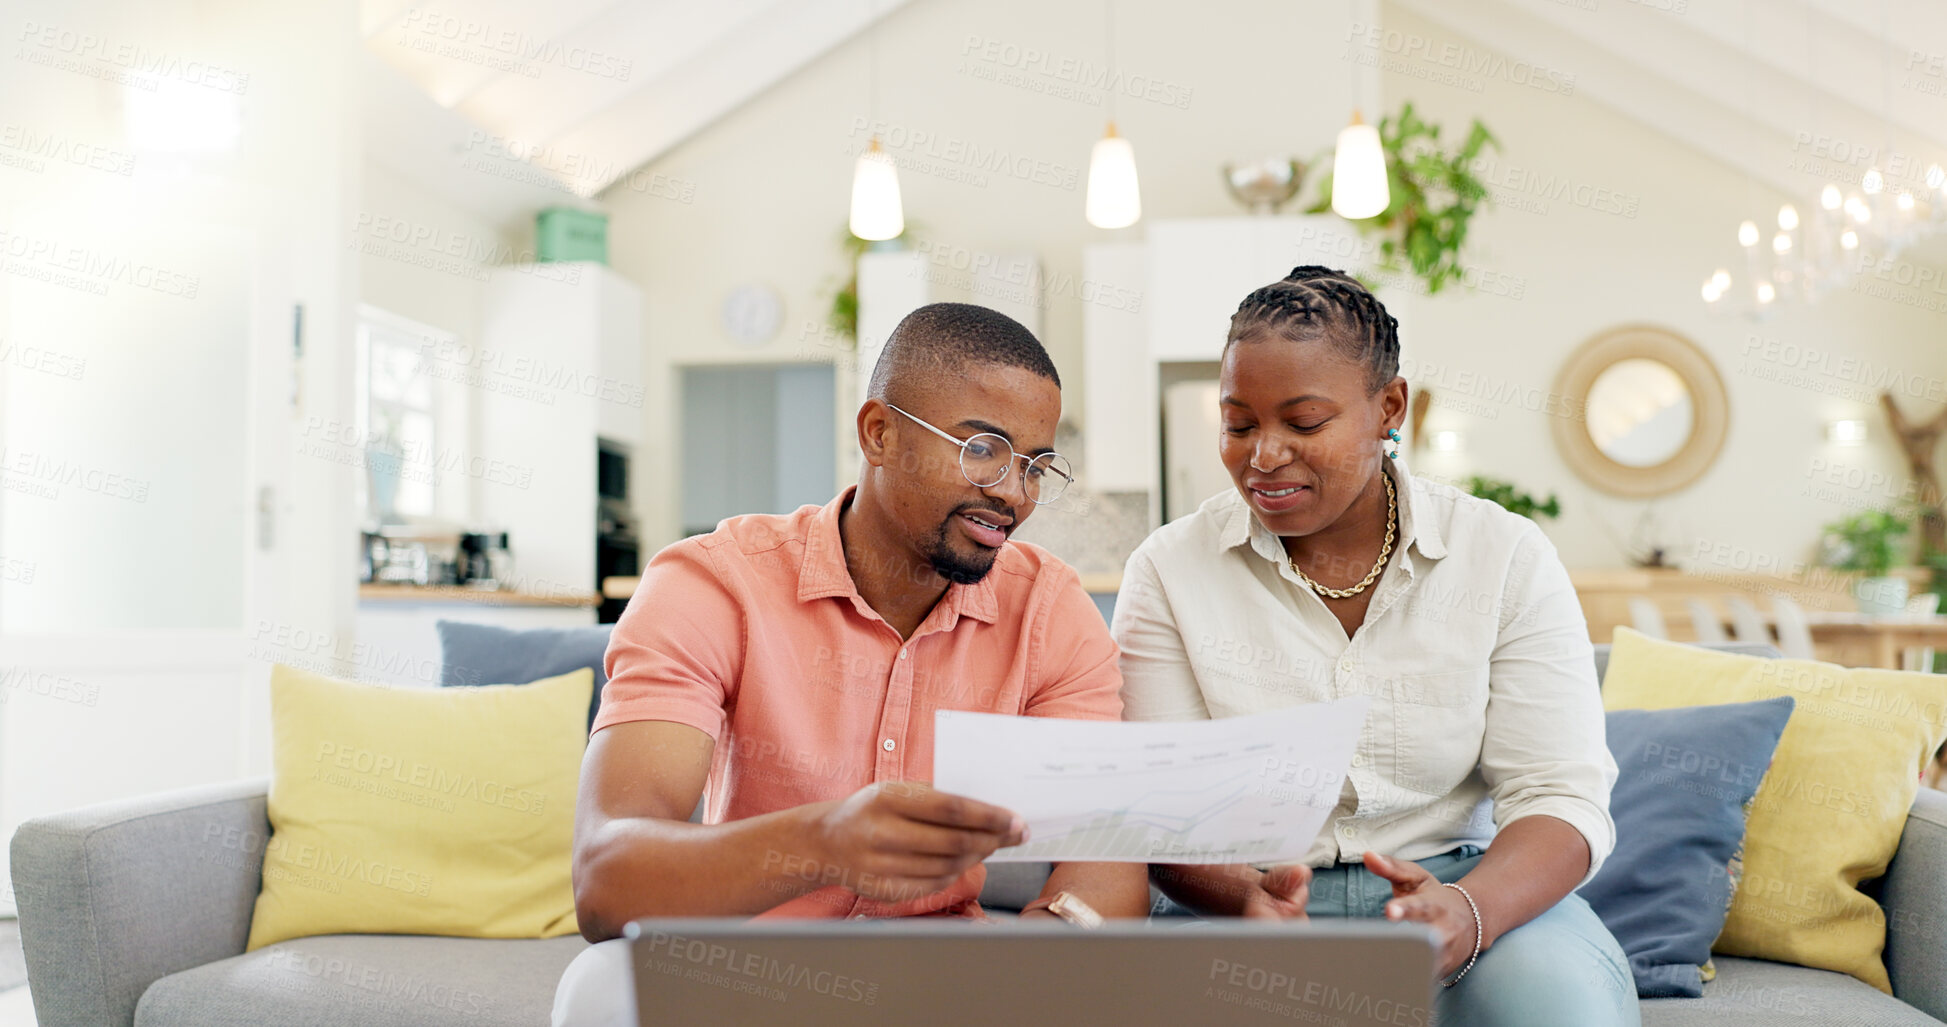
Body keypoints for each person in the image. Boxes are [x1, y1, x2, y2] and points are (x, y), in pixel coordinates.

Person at [551, 302, 1150, 1026]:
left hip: (946, 978)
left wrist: (1026, 965)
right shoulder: (712, 584)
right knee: (598, 985)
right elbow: (607, 878)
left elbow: (1106, 862)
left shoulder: (1049, 610)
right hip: (749, 969)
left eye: (1035, 465)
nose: (1013, 493)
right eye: (982, 449)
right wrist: (823, 842)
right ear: (878, 432)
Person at [1114, 267, 1638, 1025]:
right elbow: (1162, 809)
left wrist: (1468, 909)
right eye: (1237, 424)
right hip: (1239, 903)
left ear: (1387, 406)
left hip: (1464, 887)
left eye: (1302, 423)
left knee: (1554, 1008)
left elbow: (1560, 793)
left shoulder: (1503, 554)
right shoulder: (1167, 569)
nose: (1262, 455)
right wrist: (1244, 897)